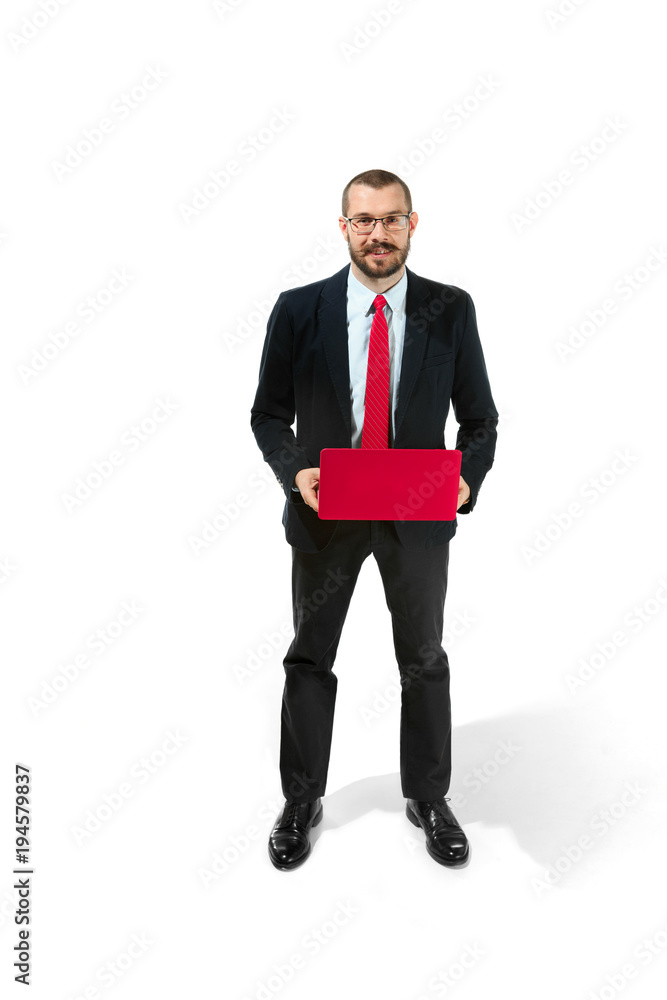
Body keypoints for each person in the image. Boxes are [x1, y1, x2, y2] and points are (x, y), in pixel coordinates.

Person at [250, 168, 498, 871]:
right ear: (343, 228)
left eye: (391, 219)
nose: (377, 233)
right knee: (309, 657)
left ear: (412, 224)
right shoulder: (299, 310)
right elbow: (266, 414)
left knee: (423, 659)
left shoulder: (449, 309)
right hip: (326, 514)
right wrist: (297, 472)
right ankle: (301, 799)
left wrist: (463, 485)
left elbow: (479, 421)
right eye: (364, 220)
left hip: (416, 514)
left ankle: (428, 797)